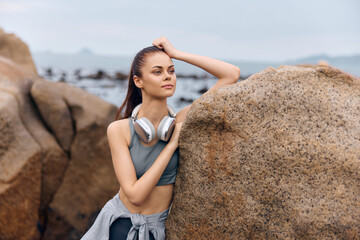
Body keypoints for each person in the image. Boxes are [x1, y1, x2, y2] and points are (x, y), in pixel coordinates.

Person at [80, 36, 240, 240]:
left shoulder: (181, 120)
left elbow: (231, 74)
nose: (168, 77)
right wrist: (171, 145)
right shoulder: (119, 130)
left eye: (171, 71)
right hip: (118, 227)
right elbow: (135, 196)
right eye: (158, 71)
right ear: (138, 81)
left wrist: (176, 54)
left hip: (157, 231)